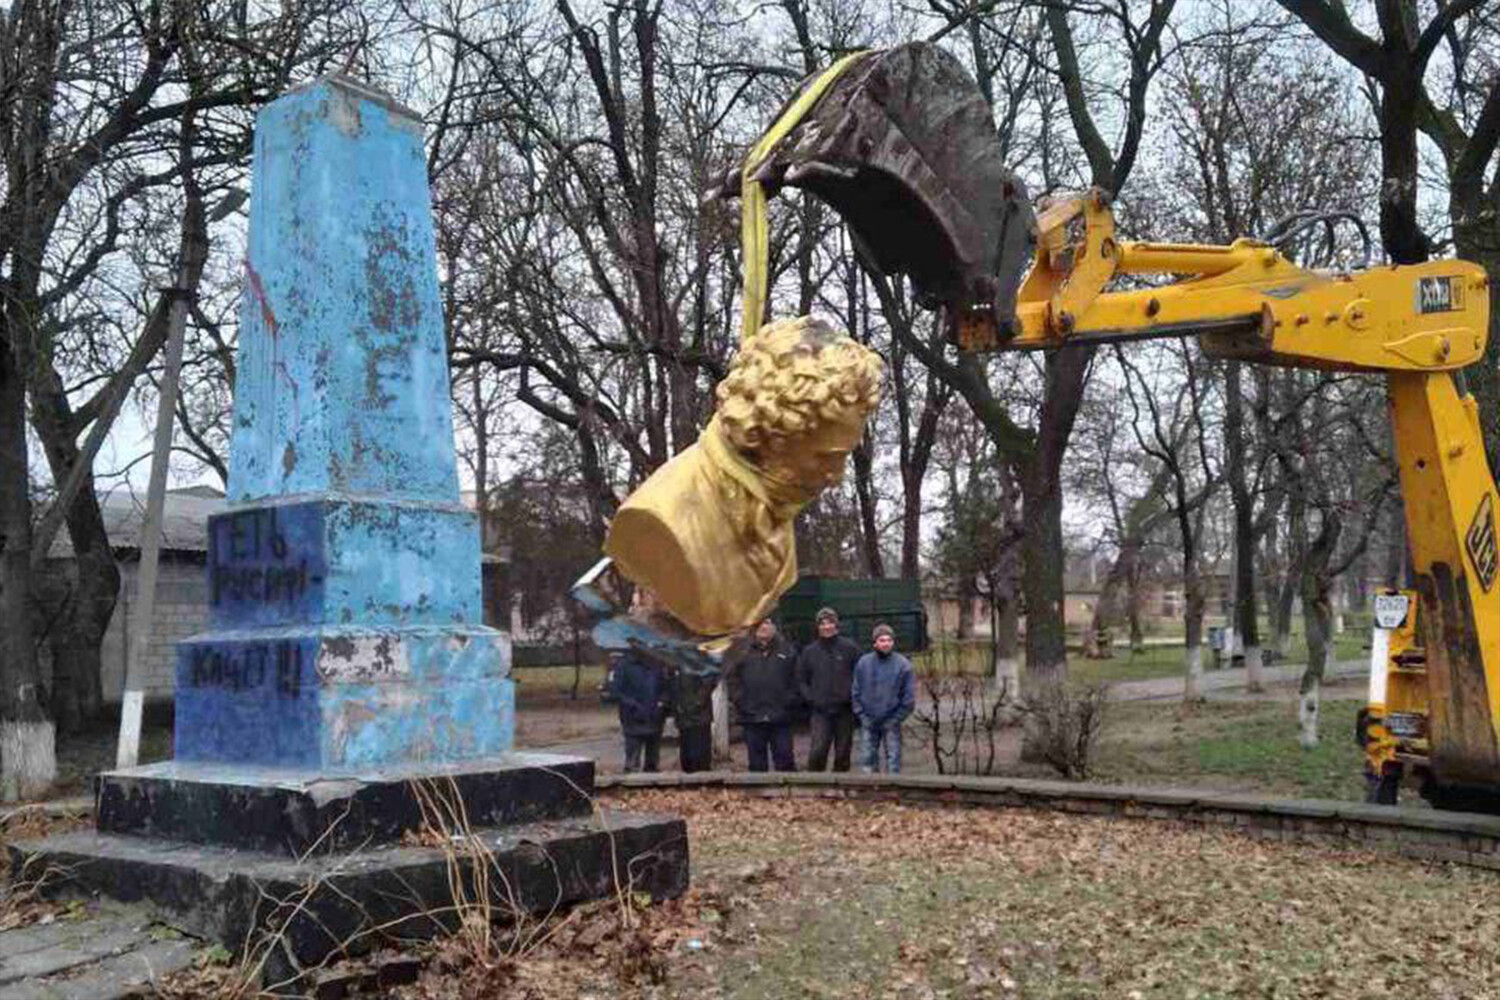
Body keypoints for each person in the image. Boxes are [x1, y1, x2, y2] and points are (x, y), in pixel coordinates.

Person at [604, 316, 883, 635]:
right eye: (826, 458)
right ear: (775, 437)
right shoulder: (658, 520)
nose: (836, 477)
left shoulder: (773, 512)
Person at [726, 618, 799, 772]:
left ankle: (787, 795)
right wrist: (740, 700)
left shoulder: (788, 650)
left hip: (780, 716)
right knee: (757, 765)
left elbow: (797, 679)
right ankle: (759, 796)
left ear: (774, 627)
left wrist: (789, 700)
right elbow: (731, 678)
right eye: (758, 623)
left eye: (766, 622)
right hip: (752, 717)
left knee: (785, 760)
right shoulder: (741, 651)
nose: (762, 627)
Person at [797, 607, 861, 772]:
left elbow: (861, 675)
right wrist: (811, 698)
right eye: (823, 623)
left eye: (830, 622)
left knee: (842, 753)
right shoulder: (809, 652)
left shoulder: (850, 648)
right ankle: (815, 786)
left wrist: (853, 697)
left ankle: (841, 789)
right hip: (820, 711)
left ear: (836, 625)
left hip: (845, 710)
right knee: (818, 750)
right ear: (817, 627)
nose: (827, 627)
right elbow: (801, 679)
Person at [852, 623, 916, 774]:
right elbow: (855, 691)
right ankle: (870, 793)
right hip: (868, 720)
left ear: (893, 642)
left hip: (892, 721)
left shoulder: (903, 665)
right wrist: (861, 715)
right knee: (867, 760)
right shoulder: (863, 663)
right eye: (882, 640)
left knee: (893, 761)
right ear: (875, 643)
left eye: (889, 640)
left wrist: (895, 719)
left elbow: (908, 699)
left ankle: (893, 793)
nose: (886, 643)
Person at [602, 650, 669, 773]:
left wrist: (661, 703)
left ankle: (651, 776)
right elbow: (615, 691)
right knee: (633, 756)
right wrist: (632, 704)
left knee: (652, 758)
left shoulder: (657, 665)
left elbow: (665, 688)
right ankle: (632, 774)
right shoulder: (624, 666)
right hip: (632, 716)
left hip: (654, 716)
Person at [669, 665, 719, 773]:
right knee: (687, 756)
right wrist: (676, 706)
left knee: (700, 755)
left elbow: (709, 683)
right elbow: (672, 685)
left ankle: (702, 779)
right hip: (683, 715)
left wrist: (695, 704)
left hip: (699, 716)